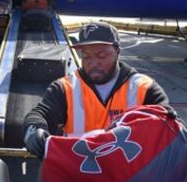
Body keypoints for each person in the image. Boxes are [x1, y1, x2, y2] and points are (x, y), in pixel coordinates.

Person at [23, 22, 170, 158]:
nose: (94, 63)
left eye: (102, 56)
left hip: (127, 175)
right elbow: (40, 114)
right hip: (78, 171)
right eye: (86, 57)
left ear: (118, 52)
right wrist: (33, 130)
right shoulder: (64, 87)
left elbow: (168, 124)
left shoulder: (144, 88)